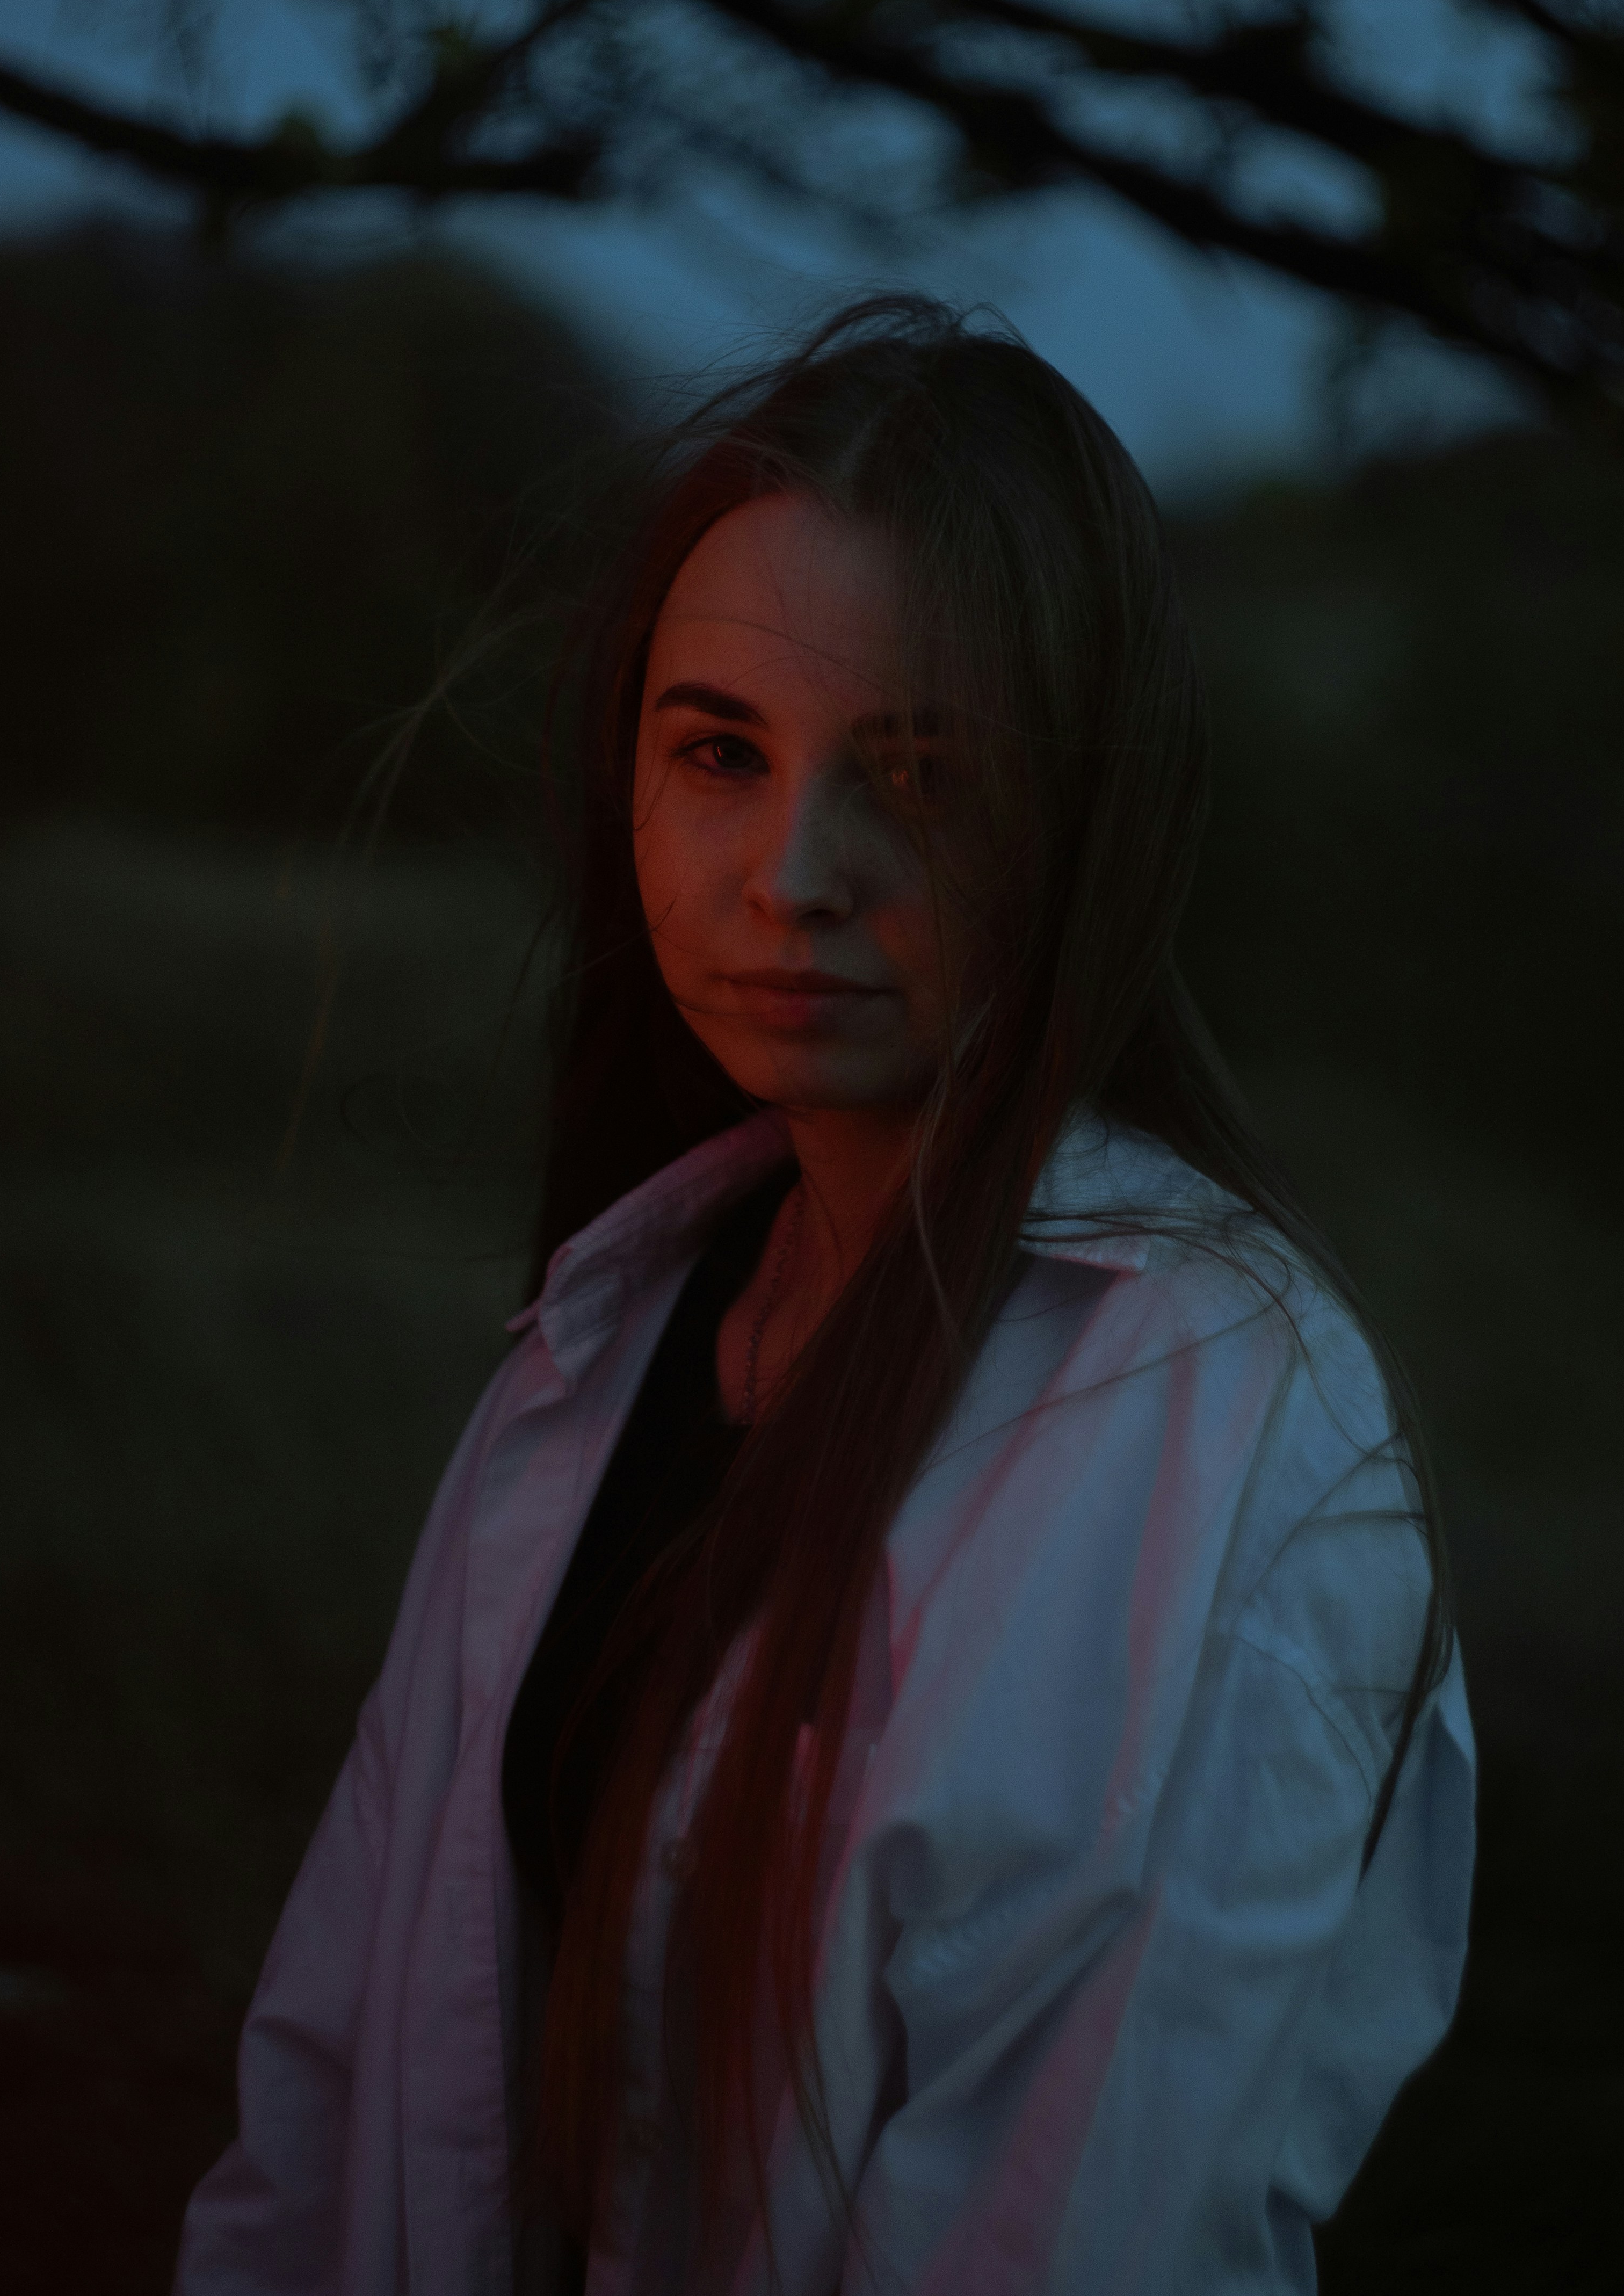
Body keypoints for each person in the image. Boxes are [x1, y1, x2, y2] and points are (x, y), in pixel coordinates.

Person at [176, 297, 1474, 2296]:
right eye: (720, 752)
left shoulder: (1221, 1429)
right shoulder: (617, 1330)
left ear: (1088, 817)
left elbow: (1072, 2239)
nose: (794, 870)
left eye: (917, 776)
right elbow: (333, 2094)